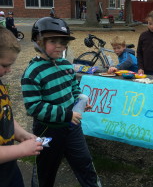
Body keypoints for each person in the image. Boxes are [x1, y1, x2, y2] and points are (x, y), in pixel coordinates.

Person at [21, 17, 102, 187]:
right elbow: (34, 107)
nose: (60, 45)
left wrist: (80, 99)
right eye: (53, 41)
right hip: (48, 130)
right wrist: (67, 114)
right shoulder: (33, 72)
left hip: (72, 127)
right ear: (38, 41)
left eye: (63, 41)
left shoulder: (66, 65)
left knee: (84, 163)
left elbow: (73, 87)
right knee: (45, 170)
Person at [0, 27, 43, 187]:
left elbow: (5, 115)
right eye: (5, 65)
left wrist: (22, 135)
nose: (9, 70)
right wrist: (22, 150)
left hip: (9, 170)